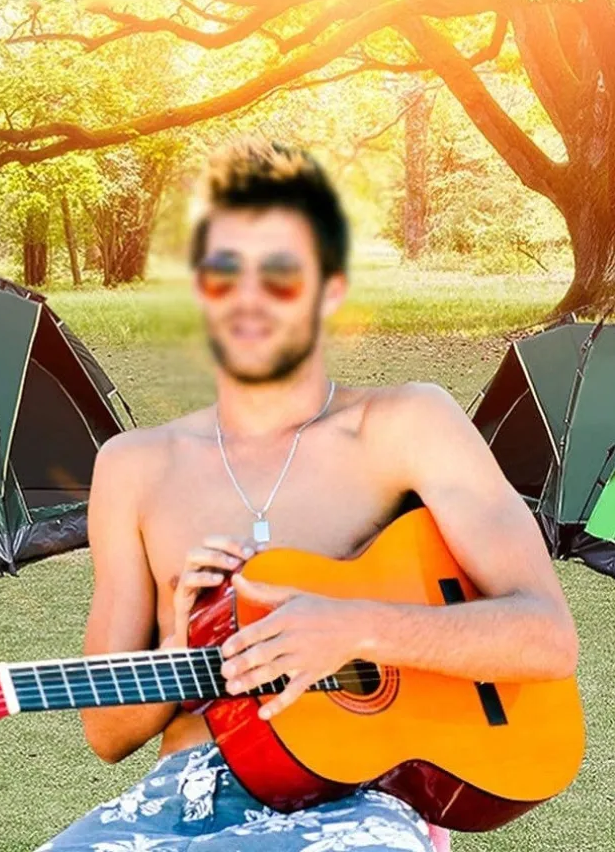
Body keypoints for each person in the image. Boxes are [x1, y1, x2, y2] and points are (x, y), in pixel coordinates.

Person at [34, 136, 579, 852]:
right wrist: (179, 635)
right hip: (177, 801)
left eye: (280, 273)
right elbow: (106, 734)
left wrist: (358, 628)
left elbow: (546, 636)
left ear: (331, 290)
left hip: (361, 804)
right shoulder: (133, 466)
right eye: (225, 271)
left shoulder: (407, 424)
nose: (249, 299)